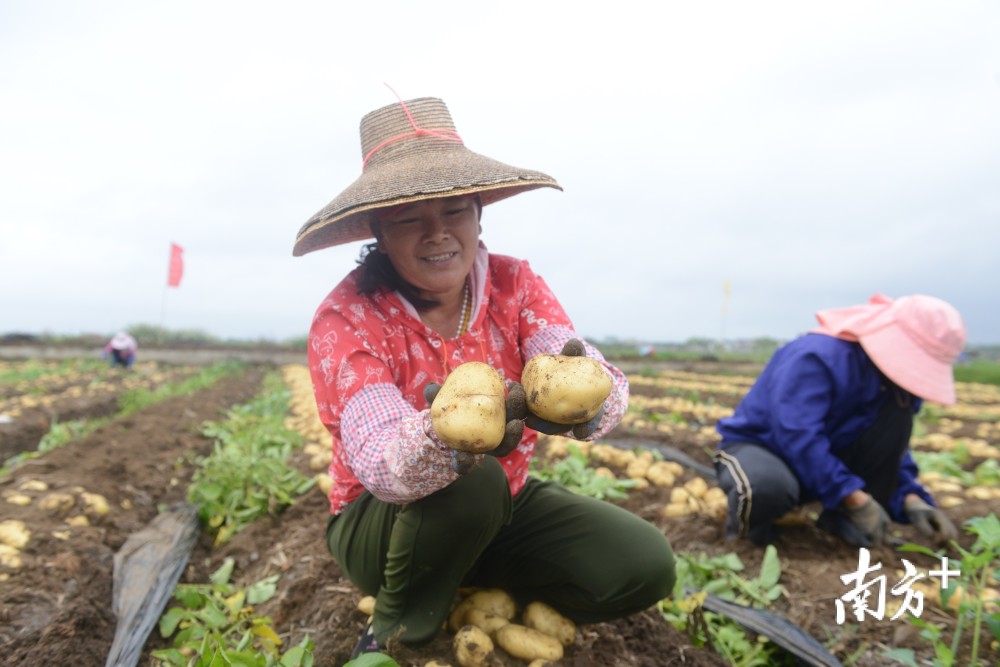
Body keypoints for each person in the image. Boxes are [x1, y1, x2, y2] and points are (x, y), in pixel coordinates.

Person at [292, 95, 676, 657]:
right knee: (471, 479)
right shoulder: (348, 317)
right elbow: (379, 460)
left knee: (643, 564)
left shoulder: (513, 284)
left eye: (454, 211)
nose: (437, 233)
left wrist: (588, 400)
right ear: (378, 229)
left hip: (503, 507)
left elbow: (573, 363)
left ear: (478, 212)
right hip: (385, 523)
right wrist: (443, 435)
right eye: (408, 220)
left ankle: (464, 583)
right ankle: (399, 627)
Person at [713, 293, 965, 549]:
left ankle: (841, 524)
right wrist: (852, 496)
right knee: (766, 488)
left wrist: (911, 498)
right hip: (764, 450)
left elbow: (889, 447)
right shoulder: (817, 356)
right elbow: (798, 436)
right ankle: (745, 543)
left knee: (897, 418)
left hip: (824, 465)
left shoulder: (894, 387)